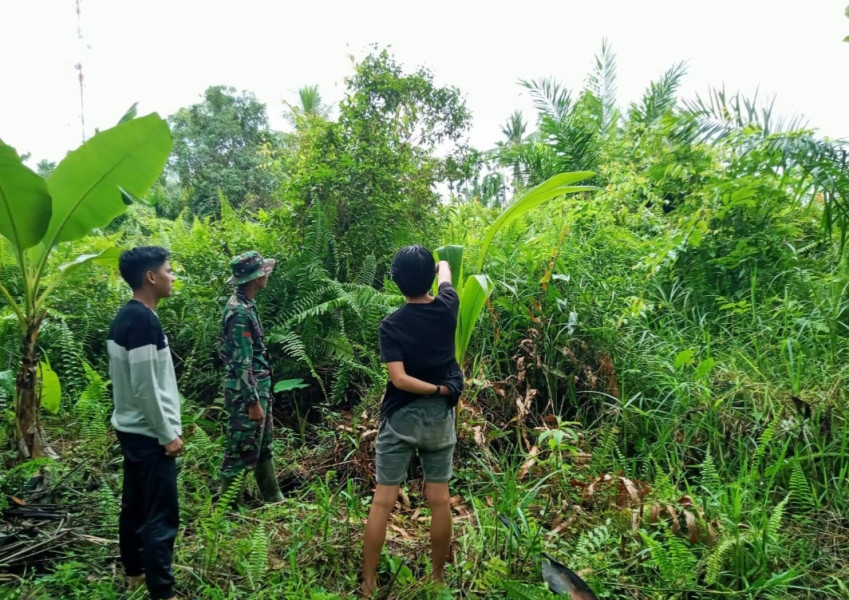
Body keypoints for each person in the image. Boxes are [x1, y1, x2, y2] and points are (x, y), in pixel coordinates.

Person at [362, 245, 464, 598]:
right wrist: (443, 266)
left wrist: (433, 389)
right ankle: (437, 578)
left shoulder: (391, 324)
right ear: (429, 278)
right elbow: (448, 275)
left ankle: (369, 583)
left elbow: (399, 380)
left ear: (396, 282)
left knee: (383, 502)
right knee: (439, 500)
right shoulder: (448, 307)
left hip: (402, 417)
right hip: (439, 419)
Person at [108, 246, 181, 600]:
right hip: (149, 434)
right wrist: (167, 435)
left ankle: (135, 575)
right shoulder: (143, 321)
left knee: (134, 505)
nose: (172, 276)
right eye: (168, 270)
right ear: (150, 277)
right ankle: (162, 592)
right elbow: (145, 387)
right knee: (161, 516)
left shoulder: (125, 317)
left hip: (130, 428)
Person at [219, 251, 284, 503]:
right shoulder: (239, 313)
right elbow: (241, 361)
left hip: (259, 387)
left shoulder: (247, 305)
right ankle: (228, 508)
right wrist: (252, 401)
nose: (268, 275)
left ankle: (273, 497)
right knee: (240, 449)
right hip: (246, 392)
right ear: (255, 278)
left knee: (263, 444)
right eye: (264, 273)